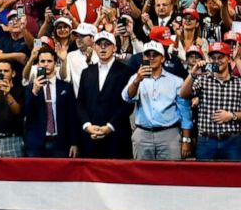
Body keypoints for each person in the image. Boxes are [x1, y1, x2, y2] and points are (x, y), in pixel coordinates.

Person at [121, 40, 191, 161]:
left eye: (155, 54)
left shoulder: (176, 81)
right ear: (143, 57)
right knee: (141, 176)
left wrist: (186, 139)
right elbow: (127, 98)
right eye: (148, 55)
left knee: (170, 176)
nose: (151, 58)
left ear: (162, 58)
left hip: (169, 134)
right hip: (143, 133)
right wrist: (137, 80)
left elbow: (185, 113)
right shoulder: (136, 78)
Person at [76, 31, 134, 159]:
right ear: (95, 47)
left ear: (115, 48)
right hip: (90, 137)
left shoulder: (126, 71)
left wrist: (110, 126)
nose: (103, 47)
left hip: (117, 137)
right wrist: (87, 125)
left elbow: (128, 104)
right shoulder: (87, 72)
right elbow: (80, 103)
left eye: (107, 44)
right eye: (99, 44)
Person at [180, 41, 241, 161]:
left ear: (228, 59)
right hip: (206, 140)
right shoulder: (203, 79)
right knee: (203, 178)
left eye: (221, 57)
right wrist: (193, 73)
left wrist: (231, 116)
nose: (217, 61)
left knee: (233, 178)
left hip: (232, 140)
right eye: (213, 58)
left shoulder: (238, 82)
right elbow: (183, 94)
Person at [23, 48, 79, 158]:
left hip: (61, 143)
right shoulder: (30, 88)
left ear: (55, 63)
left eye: (49, 61)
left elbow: (72, 117)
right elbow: (25, 113)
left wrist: (74, 142)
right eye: (42, 61)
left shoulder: (66, 87)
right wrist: (34, 91)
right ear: (38, 64)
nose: (46, 64)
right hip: (36, 144)